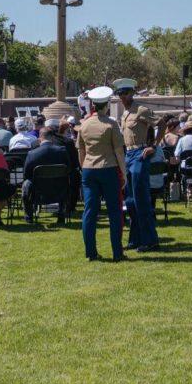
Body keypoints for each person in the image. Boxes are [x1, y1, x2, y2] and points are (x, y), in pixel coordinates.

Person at [113, 78, 167, 254]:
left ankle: (150, 240)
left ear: (131, 93)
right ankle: (135, 238)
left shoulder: (142, 110)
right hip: (128, 154)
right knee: (130, 200)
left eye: (124, 94)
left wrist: (153, 146)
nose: (121, 97)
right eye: (119, 94)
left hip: (139, 154)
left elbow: (162, 124)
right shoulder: (125, 113)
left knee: (141, 199)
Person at [77, 85, 127, 262]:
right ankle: (117, 252)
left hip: (89, 169)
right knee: (114, 212)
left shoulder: (84, 124)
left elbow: (80, 151)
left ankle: (90, 252)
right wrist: (124, 172)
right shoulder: (111, 124)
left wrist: (84, 167)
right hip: (108, 168)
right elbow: (119, 151)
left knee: (89, 211)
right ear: (106, 104)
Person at [22, 119, 73, 222]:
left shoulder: (32, 154)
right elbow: (69, 169)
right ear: (52, 138)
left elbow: (26, 174)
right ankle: (61, 213)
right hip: (59, 190)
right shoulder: (62, 151)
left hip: (38, 191)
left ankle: (29, 216)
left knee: (26, 183)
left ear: (40, 138)